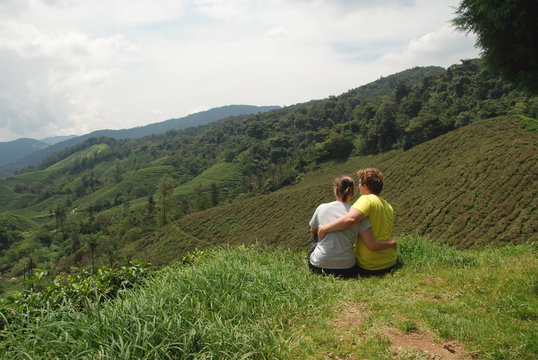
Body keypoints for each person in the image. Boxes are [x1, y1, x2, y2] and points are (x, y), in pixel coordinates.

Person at [308, 175, 396, 278]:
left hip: (319, 266)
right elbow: (371, 243)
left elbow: (313, 230)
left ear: (336, 190)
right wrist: (392, 243)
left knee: (314, 244)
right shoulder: (362, 215)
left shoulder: (321, 208)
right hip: (347, 268)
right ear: (352, 192)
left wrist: (324, 230)